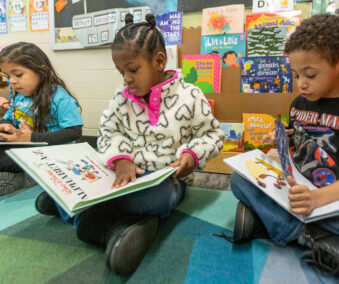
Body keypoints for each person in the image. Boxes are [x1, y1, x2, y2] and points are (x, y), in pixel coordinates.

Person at [37, 14, 224, 276]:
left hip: (165, 180)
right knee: (84, 177)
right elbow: (107, 132)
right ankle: (112, 224)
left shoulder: (190, 96)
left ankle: (73, 206)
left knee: (160, 200)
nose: (125, 78)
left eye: (132, 70)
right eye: (121, 71)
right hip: (122, 177)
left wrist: (192, 156)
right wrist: (121, 158)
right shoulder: (121, 96)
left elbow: (213, 135)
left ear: (159, 61)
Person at [228, 14, 339, 283]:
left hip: (333, 201)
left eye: (310, 74)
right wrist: (284, 140)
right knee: (239, 179)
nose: (301, 84)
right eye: (296, 75)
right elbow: (298, 148)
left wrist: (317, 199)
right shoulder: (298, 104)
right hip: (295, 193)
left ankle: (272, 223)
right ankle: (328, 243)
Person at [0, 42, 83, 196]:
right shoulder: (20, 97)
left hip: (53, 155)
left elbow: (74, 132)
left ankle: (27, 179)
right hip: (27, 148)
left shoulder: (60, 98)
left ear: (41, 71)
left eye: (18, 75)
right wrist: (5, 125)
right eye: (8, 76)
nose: (11, 81)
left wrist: (33, 137)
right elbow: (9, 118)